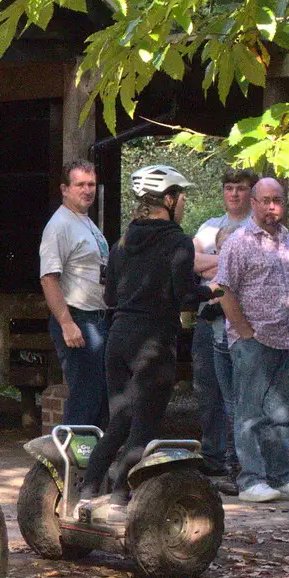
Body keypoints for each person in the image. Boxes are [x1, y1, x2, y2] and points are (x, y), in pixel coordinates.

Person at [78, 166, 219, 509]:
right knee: (144, 428)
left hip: (118, 339)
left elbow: (110, 296)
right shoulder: (178, 242)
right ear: (169, 200)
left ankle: (84, 492)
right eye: (182, 197)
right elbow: (183, 296)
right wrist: (211, 290)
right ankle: (119, 498)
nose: (183, 203)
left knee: (118, 422)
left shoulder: (122, 242)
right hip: (153, 343)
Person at [215, 177, 289, 503]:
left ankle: (280, 478)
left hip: (286, 338)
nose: (272, 206)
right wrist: (244, 331)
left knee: (280, 415)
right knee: (250, 415)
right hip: (253, 341)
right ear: (254, 203)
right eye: (265, 200)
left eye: (277, 200)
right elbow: (222, 289)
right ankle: (251, 481)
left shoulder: (288, 240)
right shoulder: (239, 242)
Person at [191, 168, 257, 492]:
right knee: (208, 391)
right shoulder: (209, 227)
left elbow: (252, 270)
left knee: (239, 395)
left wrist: (217, 263)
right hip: (208, 316)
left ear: (251, 192)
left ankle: (240, 464)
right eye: (229, 187)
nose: (234, 194)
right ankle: (213, 459)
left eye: (241, 188)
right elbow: (189, 261)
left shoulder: (258, 228)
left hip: (242, 320)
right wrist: (228, 262)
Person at [39, 161, 109, 428]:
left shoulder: (86, 221)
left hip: (98, 318)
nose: (87, 190)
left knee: (100, 396)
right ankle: (72, 462)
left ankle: (94, 462)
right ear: (64, 189)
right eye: (80, 184)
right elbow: (48, 278)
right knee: (85, 397)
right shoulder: (59, 225)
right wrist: (67, 323)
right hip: (78, 319)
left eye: (91, 184)